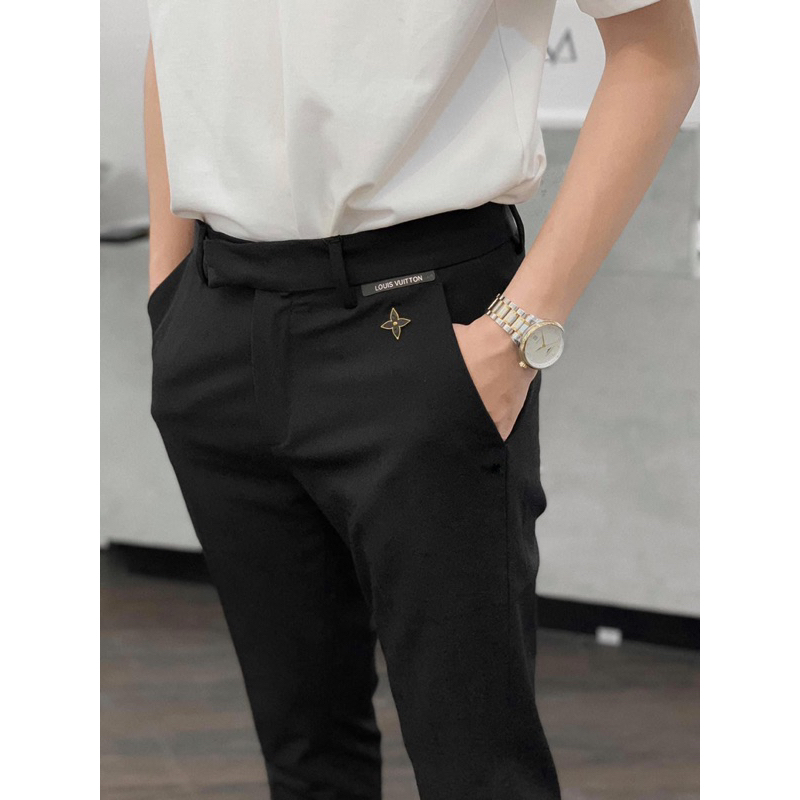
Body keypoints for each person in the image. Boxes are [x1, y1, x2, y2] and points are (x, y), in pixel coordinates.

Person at [142, 0, 698, 797]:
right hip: (220, 316)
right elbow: (175, 43)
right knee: (305, 759)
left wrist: (517, 333)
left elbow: (657, 51)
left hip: (423, 311)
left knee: (479, 770)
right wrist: (170, 298)